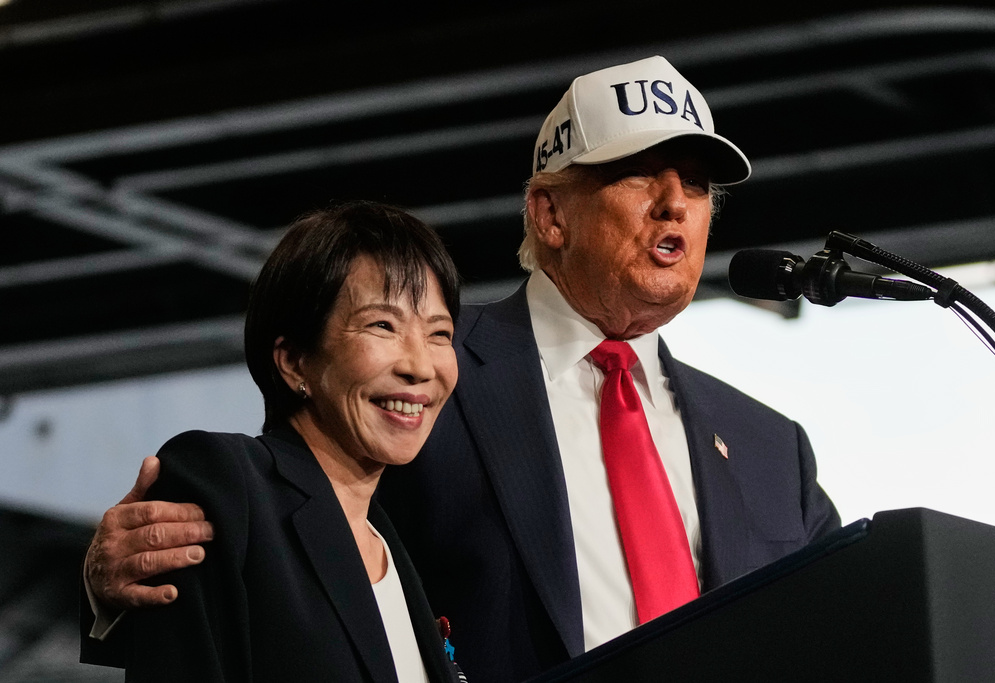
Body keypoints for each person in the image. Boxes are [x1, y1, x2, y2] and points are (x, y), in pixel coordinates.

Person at [81, 56, 841, 682]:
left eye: (700, 184)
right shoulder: (420, 382)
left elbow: (851, 625)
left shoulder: (774, 451)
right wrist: (124, 585)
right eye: (640, 174)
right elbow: (281, 553)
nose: (676, 203)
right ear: (549, 214)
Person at [104, 201, 466, 681]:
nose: (420, 366)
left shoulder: (394, 538)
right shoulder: (226, 484)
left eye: (439, 333)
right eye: (383, 325)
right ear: (294, 361)